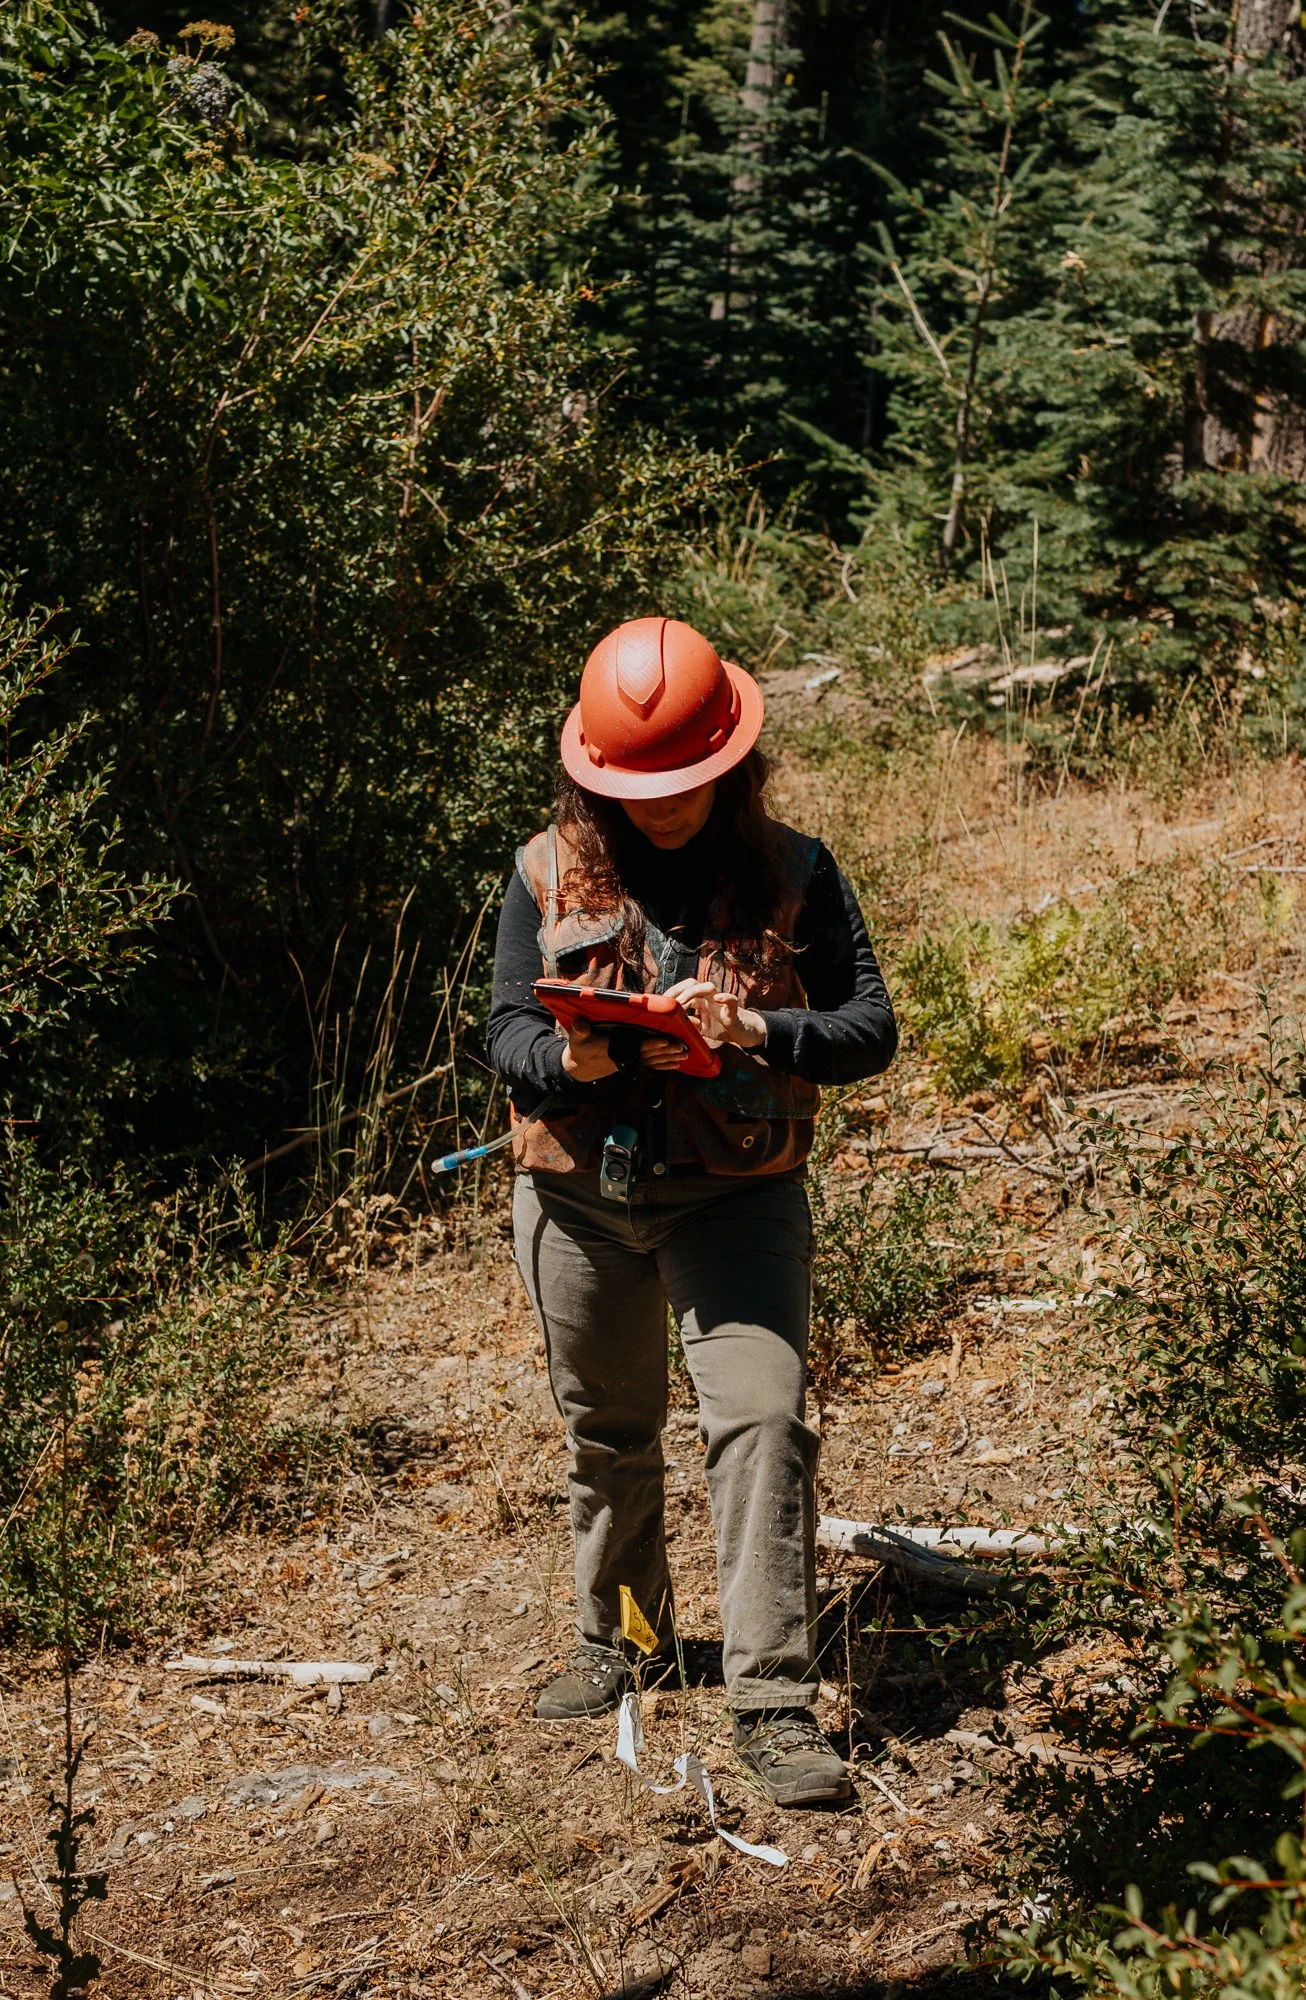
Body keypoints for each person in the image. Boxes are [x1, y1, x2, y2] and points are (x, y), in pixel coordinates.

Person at [487, 615, 896, 1806]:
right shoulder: (541, 869)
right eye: (639, 784)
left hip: (738, 1202)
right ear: (593, 770)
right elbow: (505, 1033)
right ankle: (625, 1641)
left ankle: (772, 1699)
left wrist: (761, 1029)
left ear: (732, 759)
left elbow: (869, 1028)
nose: (663, 804)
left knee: (763, 1423)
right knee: (606, 1434)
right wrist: (577, 1065)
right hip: (576, 1202)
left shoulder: (797, 869)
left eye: (688, 781)